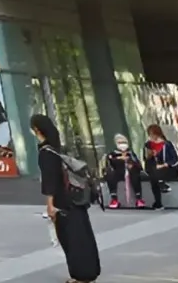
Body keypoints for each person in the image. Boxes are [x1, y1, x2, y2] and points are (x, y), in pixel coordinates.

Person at [32, 113, 101, 283]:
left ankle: (81, 275)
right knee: (83, 235)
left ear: (37, 130)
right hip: (75, 198)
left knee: (71, 238)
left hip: (63, 201)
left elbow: (50, 181)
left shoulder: (45, 152)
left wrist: (50, 205)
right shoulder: (57, 149)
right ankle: (89, 271)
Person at [143, 124, 178, 209]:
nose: (152, 136)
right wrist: (150, 154)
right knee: (153, 175)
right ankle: (158, 202)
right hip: (155, 169)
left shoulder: (167, 144)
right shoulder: (148, 145)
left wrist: (164, 165)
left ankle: (158, 200)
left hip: (168, 169)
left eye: (153, 134)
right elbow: (145, 158)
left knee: (154, 176)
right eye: (150, 134)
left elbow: (175, 159)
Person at [103, 134, 145, 209]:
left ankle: (139, 199)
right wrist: (118, 159)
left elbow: (138, 165)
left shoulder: (131, 153)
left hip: (130, 172)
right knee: (110, 174)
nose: (122, 144)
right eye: (120, 142)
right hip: (118, 172)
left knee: (135, 175)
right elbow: (108, 164)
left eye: (124, 142)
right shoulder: (112, 154)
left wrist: (131, 163)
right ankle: (114, 199)